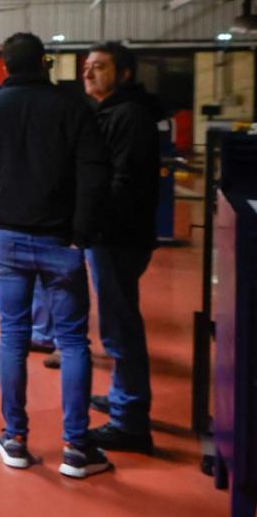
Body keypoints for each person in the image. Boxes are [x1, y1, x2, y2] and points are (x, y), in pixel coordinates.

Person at [0, 31, 112, 478]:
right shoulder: (73, 106)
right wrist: (81, 231)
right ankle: (77, 448)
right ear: (45, 63)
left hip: (6, 239)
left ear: (4, 68)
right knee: (74, 341)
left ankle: (15, 438)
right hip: (62, 241)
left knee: (13, 337)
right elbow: (95, 172)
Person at [82, 41, 162, 453]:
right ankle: (120, 398)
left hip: (117, 236)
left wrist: (90, 222)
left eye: (99, 67)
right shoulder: (112, 112)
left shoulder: (127, 116)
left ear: (124, 74)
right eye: (87, 66)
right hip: (113, 236)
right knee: (117, 322)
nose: (89, 73)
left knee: (120, 327)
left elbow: (122, 184)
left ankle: (130, 421)